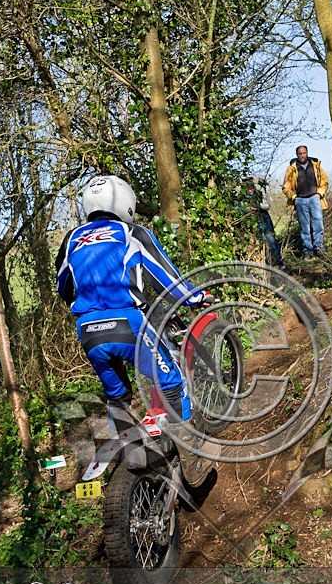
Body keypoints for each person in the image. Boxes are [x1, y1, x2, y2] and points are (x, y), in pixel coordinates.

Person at [55, 175, 216, 485]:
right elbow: (167, 278)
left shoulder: (71, 239)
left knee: (117, 395)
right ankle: (190, 457)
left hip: (88, 330)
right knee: (172, 380)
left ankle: (134, 459)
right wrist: (196, 297)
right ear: (125, 202)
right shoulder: (132, 232)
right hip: (129, 325)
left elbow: (63, 286)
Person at [282, 145, 329, 260]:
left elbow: (324, 181)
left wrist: (320, 193)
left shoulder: (316, 165)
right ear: (297, 154)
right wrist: (294, 197)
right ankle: (308, 250)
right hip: (300, 200)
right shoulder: (292, 168)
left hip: (315, 198)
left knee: (318, 223)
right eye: (300, 154)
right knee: (304, 227)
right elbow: (285, 186)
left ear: (307, 153)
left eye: (304, 153)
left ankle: (319, 247)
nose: (302, 155)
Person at [243, 179, 287, 270]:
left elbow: (267, 206)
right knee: (257, 243)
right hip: (253, 222)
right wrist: (248, 209)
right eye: (248, 188)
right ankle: (261, 265)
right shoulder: (242, 198)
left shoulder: (259, 195)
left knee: (272, 242)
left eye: (251, 187)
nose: (250, 190)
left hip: (265, 219)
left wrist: (258, 206)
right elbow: (240, 209)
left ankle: (279, 262)